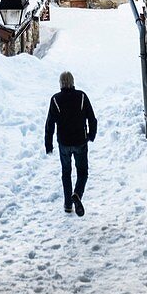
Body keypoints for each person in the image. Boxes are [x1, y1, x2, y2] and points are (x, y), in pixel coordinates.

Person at [45, 71, 97, 216]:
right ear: (73, 82)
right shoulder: (81, 96)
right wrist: (91, 135)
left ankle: (68, 204)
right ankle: (77, 194)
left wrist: (48, 144)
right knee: (82, 172)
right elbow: (92, 118)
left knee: (66, 173)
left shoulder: (55, 99)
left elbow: (50, 123)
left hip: (64, 143)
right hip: (80, 140)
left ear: (60, 83)